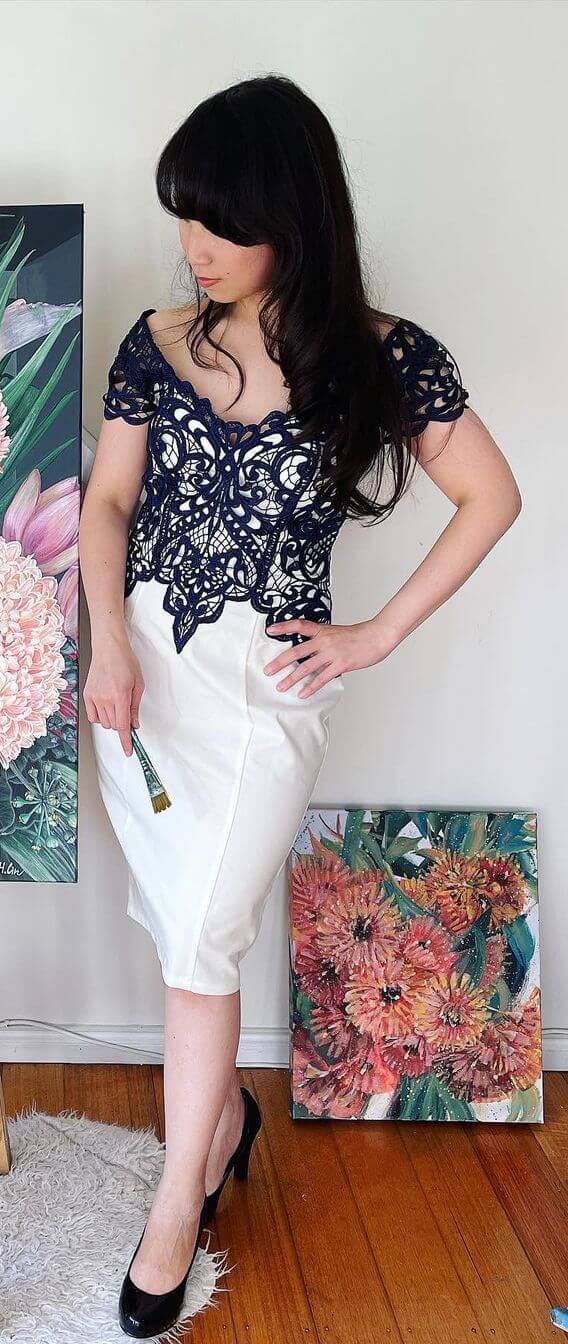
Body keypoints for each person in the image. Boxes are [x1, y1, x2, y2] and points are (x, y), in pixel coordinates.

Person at [79, 74, 521, 1339]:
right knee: (181, 927)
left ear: (295, 218)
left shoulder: (380, 355)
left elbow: (492, 497)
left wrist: (376, 634)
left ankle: (178, 1206)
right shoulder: (155, 344)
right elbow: (108, 507)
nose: (194, 248)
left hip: (261, 692)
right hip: (141, 672)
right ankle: (220, 1126)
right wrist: (108, 643)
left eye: (220, 224)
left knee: (205, 928)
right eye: (185, 221)